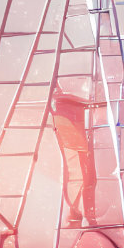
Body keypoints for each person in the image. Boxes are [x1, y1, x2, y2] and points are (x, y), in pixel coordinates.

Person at [50, 87, 98, 228]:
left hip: (67, 122)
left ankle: (80, 212)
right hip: (72, 122)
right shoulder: (66, 98)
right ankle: (83, 214)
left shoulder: (62, 97)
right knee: (81, 172)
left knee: (76, 170)